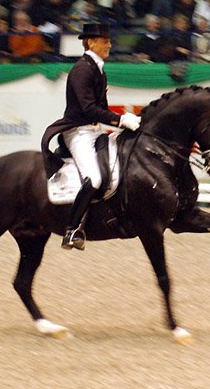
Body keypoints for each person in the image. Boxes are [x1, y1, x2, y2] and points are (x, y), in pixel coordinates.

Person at [41, 23, 141, 251]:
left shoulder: (98, 69)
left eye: (109, 41)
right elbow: (88, 109)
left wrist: (124, 123)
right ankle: (71, 230)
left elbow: (102, 108)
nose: (109, 45)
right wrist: (121, 120)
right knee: (94, 179)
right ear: (90, 42)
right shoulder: (82, 70)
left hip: (94, 131)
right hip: (77, 132)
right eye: (105, 41)